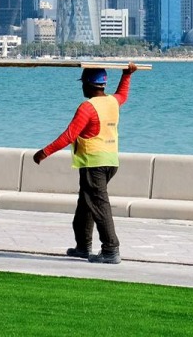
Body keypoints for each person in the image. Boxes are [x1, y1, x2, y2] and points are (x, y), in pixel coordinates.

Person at [33, 63, 137, 264]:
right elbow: (122, 95)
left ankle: (110, 249)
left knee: (99, 205)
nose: (81, 87)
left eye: (83, 83)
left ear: (90, 85)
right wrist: (127, 75)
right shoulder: (112, 102)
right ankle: (83, 246)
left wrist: (44, 153)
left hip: (93, 163)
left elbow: (69, 135)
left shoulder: (87, 108)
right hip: (110, 161)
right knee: (85, 204)